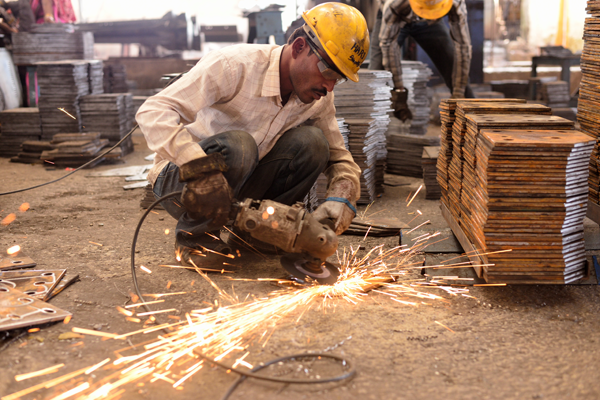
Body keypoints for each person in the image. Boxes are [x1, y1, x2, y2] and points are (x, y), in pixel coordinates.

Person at [136, 2, 370, 267]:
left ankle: (255, 237)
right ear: (299, 47)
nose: (329, 86)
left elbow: (339, 156)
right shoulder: (234, 65)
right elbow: (153, 111)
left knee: (313, 143)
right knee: (241, 145)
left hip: (239, 188)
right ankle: (196, 241)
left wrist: (342, 195)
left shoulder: (318, 97)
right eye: (327, 70)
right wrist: (199, 167)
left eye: (338, 78)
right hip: (185, 183)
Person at [369, 0, 473, 121]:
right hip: (396, 16)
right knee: (375, 78)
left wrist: (459, 94)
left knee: (455, 71)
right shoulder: (395, 3)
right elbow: (388, 45)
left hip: (431, 22)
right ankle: (373, 126)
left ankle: (474, 124)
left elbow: (463, 47)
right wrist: (399, 92)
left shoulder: (454, 2)